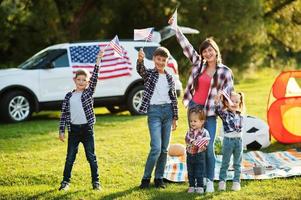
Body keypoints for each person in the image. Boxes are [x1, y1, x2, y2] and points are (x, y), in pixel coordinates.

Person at [170, 22, 234, 192]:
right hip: (194, 109)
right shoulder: (199, 64)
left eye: (210, 49)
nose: (207, 53)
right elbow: (186, 47)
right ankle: (197, 181)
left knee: (209, 146)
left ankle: (209, 180)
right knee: (195, 146)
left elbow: (229, 91)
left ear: (216, 50)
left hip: (211, 113)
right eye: (204, 51)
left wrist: (223, 96)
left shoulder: (225, 71)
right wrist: (176, 28)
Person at [58, 50, 104, 191]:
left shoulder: (88, 93)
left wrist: (98, 61)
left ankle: (96, 182)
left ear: (87, 82)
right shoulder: (68, 96)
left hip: (87, 130)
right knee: (70, 157)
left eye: (84, 80)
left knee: (91, 156)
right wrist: (62, 131)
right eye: (79, 79)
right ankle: (65, 182)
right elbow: (64, 114)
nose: (81, 82)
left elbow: (95, 77)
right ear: (75, 80)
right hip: (74, 130)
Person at [137, 47, 178, 189]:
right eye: (158, 59)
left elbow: (174, 99)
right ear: (154, 59)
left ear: (166, 61)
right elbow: (140, 70)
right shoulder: (149, 74)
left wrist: (175, 117)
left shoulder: (169, 77)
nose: (161, 62)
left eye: (163, 60)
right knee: (156, 148)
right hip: (154, 112)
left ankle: (159, 178)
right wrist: (140, 60)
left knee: (165, 149)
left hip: (168, 112)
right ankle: (146, 179)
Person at [214, 91, 245, 191]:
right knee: (225, 162)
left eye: (237, 102)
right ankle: (222, 181)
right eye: (232, 101)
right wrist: (219, 97)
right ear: (227, 103)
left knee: (237, 163)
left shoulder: (240, 115)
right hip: (228, 141)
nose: (234, 104)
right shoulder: (225, 114)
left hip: (239, 141)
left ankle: (236, 182)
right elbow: (218, 109)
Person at [185, 107, 210, 194]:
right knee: (190, 171)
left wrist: (201, 144)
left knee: (200, 171)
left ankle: (200, 186)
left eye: (195, 121)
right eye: (191, 121)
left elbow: (207, 141)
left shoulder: (204, 132)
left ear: (202, 121)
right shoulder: (189, 132)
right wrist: (192, 141)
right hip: (190, 154)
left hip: (199, 155)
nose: (192, 123)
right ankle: (191, 186)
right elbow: (187, 139)